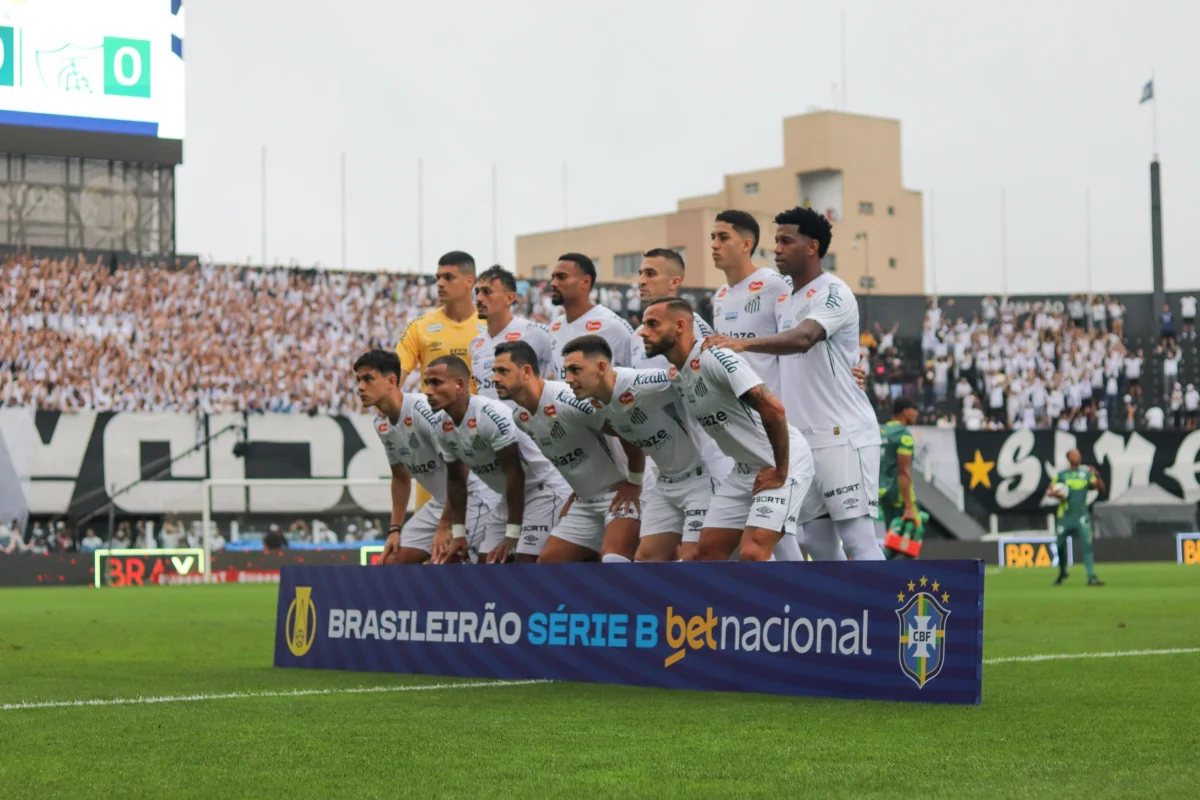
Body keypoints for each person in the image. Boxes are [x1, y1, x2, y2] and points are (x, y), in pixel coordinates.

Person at [704, 205, 885, 561]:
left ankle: (883, 617)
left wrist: (741, 343)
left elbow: (804, 338)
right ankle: (839, 615)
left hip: (842, 435)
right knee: (817, 543)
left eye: (786, 241)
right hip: (801, 439)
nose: (777, 249)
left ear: (812, 247)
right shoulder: (784, 296)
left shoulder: (834, 291)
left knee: (858, 539)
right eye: (776, 241)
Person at [640, 296, 814, 561]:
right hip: (744, 470)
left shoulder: (714, 357)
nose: (643, 331)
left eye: (652, 324)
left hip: (780, 462)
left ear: (680, 326)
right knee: (706, 554)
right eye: (643, 324)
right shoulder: (678, 374)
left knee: (753, 553)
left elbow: (774, 409)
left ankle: (785, 603)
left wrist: (781, 470)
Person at [562, 334, 731, 562]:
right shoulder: (597, 403)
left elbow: (691, 374)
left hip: (702, 477)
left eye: (575, 370)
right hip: (666, 482)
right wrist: (634, 480)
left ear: (601, 367)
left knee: (696, 559)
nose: (568, 379)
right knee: (646, 559)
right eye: (566, 371)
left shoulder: (645, 384)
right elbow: (626, 436)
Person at [492, 341, 644, 563]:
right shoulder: (521, 418)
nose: (495, 378)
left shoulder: (569, 401)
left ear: (526, 372)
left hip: (621, 493)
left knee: (614, 561)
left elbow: (628, 430)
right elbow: (567, 456)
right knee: (548, 567)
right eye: (494, 371)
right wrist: (578, 490)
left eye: (503, 371)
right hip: (585, 501)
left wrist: (635, 481)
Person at [422, 356, 570, 564]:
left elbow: (514, 474)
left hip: (543, 490)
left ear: (460, 385)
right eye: (427, 383)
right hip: (509, 497)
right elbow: (456, 480)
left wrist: (512, 534)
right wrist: (458, 534)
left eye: (436, 383)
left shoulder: (491, 415)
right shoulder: (439, 425)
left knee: (523, 560)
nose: (428, 391)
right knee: (486, 563)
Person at [354, 349, 495, 565]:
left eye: (368, 379)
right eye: (359, 380)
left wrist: (446, 525)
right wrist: (394, 529)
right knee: (390, 562)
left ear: (392, 380)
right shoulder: (381, 424)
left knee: (443, 563)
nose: (361, 387)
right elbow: (400, 477)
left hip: (472, 498)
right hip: (440, 503)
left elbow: (460, 470)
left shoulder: (423, 411)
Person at [395, 251, 488, 511]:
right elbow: (395, 375)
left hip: (481, 437)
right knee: (431, 529)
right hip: (436, 437)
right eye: (438, 277)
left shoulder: (490, 325)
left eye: (449, 277)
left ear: (470, 281)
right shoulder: (421, 326)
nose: (440, 283)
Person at [708, 209, 790, 399]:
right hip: (734, 411)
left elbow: (799, 343)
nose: (714, 245)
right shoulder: (720, 294)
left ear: (746, 245)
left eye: (723, 237)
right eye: (713, 237)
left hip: (769, 409)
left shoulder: (774, 285)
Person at [470, 265, 556, 404]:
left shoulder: (533, 332)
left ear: (509, 298)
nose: (479, 298)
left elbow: (562, 373)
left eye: (487, 292)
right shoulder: (476, 343)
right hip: (489, 424)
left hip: (528, 424)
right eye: (477, 291)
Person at [546, 253, 637, 379]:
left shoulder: (612, 325)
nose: (553, 283)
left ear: (585, 282)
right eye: (553, 277)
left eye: (561, 277)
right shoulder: (554, 327)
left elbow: (634, 379)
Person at [629, 249, 714, 370]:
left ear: (674, 282)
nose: (641, 281)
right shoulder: (636, 335)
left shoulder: (695, 327)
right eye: (640, 274)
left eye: (650, 274)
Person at [1046, 450, 1105, 586]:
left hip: (1081, 516)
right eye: (1074, 455)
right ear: (1068, 458)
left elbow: (1101, 488)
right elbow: (1049, 491)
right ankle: (1062, 572)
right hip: (1065, 516)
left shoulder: (1085, 474)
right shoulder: (1062, 475)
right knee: (1059, 546)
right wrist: (1056, 494)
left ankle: (1091, 576)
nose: (1077, 457)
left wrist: (1097, 475)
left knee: (1087, 545)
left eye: (1078, 454)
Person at [879, 398, 924, 559]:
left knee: (895, 541)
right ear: (905, 411)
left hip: (884, 494)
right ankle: (873, 570)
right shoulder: (903, 435)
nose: (916, 413)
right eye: (914, 409)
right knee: (913, 536)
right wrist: (909, 507)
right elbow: (903, 471)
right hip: (900, 497)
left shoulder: (881, 431)